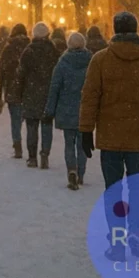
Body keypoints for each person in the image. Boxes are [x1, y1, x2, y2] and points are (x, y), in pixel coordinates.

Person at [79, 12, 139, 261]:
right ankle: (136, 235)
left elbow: (90, 96)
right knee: (138, 189)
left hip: (110, 136)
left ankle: (117, 241)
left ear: (114, 30)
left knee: (114, 189)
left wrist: (86, 130)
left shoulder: (101, 60)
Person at [44, 32, 92, 189]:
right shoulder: (91, 63)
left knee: (69, 144)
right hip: (85, 110)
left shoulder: (63, 63)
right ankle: (82, 173)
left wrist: (50, 110)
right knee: (82, 144)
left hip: (66, 110)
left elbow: (54, 88)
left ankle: (72, 170)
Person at [15, 22, 61, 169]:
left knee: (31, 126)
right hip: (48, 93)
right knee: (46, 125)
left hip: (31, 93)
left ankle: (32, 157)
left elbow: (21, 74)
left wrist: (19, 93)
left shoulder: (28, 51)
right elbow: (58, 73)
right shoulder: (52, 50)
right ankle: (45, 154)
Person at [0, 23, 30, 159]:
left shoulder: (8, 49)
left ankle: (17, 146)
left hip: (12, 88)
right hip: (29, 89)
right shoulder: (30, 48)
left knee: (15, 121)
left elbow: (2, 73)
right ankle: (32, 149)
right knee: (30, 121)